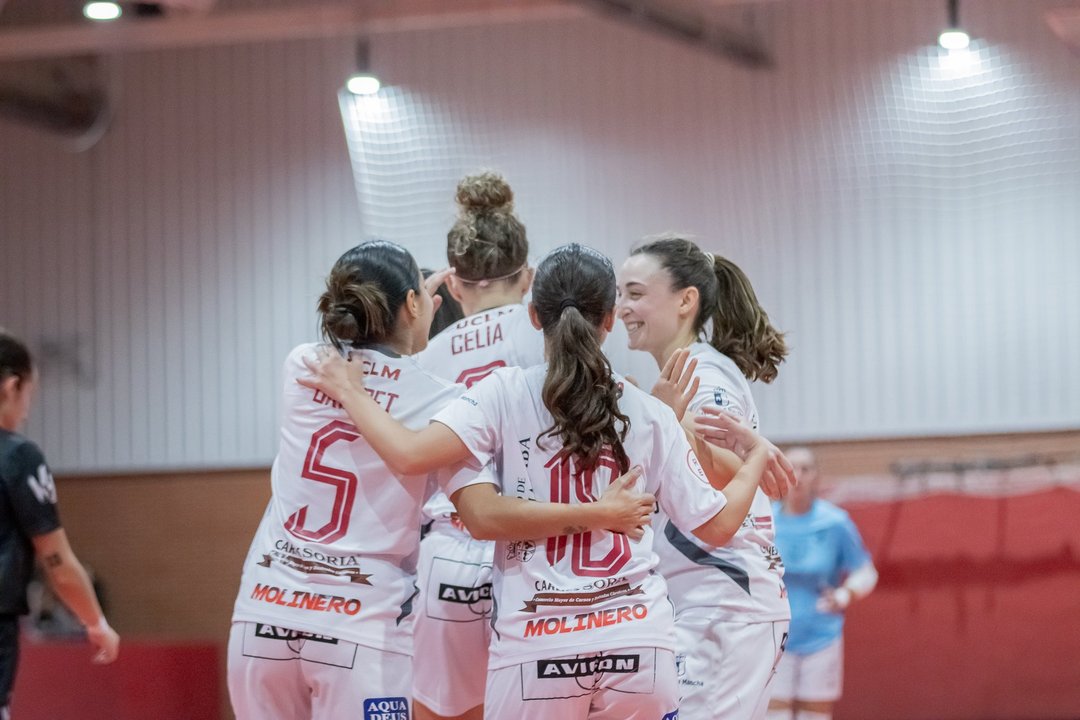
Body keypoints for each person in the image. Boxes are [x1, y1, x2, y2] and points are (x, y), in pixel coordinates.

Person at [299, 242, 796, 720]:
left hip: (537, 642)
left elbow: (445, 485)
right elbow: (718, 524)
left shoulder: (498, 393)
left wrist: (356, 390)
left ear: (534, 315)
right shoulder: (649, 408)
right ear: (607, 320)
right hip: (637, 641)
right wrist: (754, 456)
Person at [227, 240, 651, 720]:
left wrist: (408, 309)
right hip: (359, 620)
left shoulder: (305, 364)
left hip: (264, 608)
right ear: (413, 303)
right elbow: (472, 500)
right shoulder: (441, 400)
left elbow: (376, 362)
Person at [615, 234, 791, 720]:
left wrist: (667, 423)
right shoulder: (683, 375)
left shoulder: (703, 377)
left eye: (635, 293)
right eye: (619, 294)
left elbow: (730, 474)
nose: (622, 308)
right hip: (703, 600)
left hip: (723, 601)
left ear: (685, 300)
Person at [412, 172, 543, 720]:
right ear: (529, 277)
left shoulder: (427, 353)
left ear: (453, 286)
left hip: (449, 549)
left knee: (442, 711)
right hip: (535, 547)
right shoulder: (549, 336)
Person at [0, 331, 120, 719]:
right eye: (29, 395)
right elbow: (58, 562)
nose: (27, 411)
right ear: (11, 387)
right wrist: (96, 623)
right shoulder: (17, 457)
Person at [767, 448, 877, 720]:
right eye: (792, 469)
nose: (798, 476)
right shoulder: (765, 522)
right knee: (775, 714)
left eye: (806, 469)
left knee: (813, 715)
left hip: (821, 635)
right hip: (774, 635)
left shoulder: (835, 522)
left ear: (816, 476)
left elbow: (865, 571)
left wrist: (845, 594)